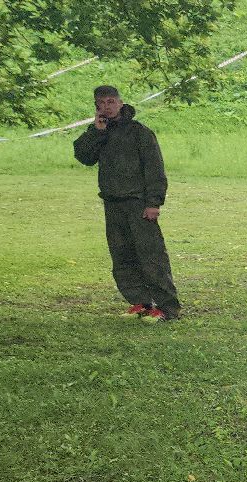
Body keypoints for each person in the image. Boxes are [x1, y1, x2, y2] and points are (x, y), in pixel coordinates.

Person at [72, 85, 181, 322]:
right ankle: (140, 303)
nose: (107, 107)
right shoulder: (99, 132)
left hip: (139, 204)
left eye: (111, 102)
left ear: (120, 103)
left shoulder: (139, 132)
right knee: (122, 256)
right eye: (102, 103)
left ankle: (167, 308)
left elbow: (155, 169)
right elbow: (83, 156)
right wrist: (97, 132)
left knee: (151, 256)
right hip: (113, 203)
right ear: (96, 107)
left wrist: (154, 203)